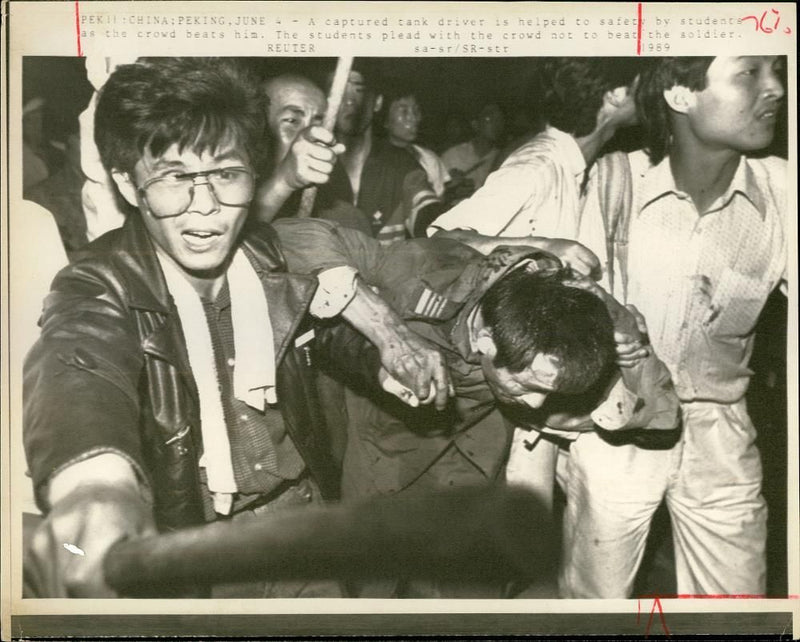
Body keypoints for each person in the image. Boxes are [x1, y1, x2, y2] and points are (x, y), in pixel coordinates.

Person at [22, 57, 450, 599]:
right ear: (130, 185)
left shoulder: (265, 252)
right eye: (175, 178)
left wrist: (378, 363)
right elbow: (79, 372)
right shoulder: (97, 285)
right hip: (200, 560)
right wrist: (97, 488)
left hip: (305, 529)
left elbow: (308, 332)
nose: (207, 209)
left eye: (226, 174)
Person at [319, 233, 679, 598]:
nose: (536, 406)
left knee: (473, 592)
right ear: (486, 341)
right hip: (391, 449)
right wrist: (386, 342)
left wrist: (620, 338)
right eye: (527, 387)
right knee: (376, 580)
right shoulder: (423, 278)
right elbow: (303, 255)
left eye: (547, 391)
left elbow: (662, 413)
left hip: (478, 455)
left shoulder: (576, 309)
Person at [556, 55, 787, 598]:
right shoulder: (613, 184)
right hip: (616, 427)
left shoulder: (783, 191)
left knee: (735, 609)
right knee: (594, 607)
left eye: (777, 69)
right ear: (682, 96)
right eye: (750, 72)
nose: (775, 87)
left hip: (722, 428)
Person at [425, 58, 644, 523]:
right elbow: (440, 239)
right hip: (503, 394)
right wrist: (542, 245)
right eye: (644, 81)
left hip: (539, 397)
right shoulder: (539, 165)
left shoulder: (584, 167)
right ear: (616, 95)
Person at [318, 61, 443, 245]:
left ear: (377, 102)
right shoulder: (311, 166)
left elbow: (427, 211)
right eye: (338, 91)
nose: (349, 100)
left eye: (358, 90)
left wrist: (445, 231)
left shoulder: (400, 163)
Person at [254, 73, 373, 237]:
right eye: (292, 121)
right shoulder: (225, 197)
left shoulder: (346, 220)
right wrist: (282, 182)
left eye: (319, 123)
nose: (310, 134)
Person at [380, 83, 451, 204]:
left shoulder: (429, 160)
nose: (414, 118)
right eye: (404, 111)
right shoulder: (373, 158)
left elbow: (437, 208)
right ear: (385, 120)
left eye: (416, 110)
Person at [440, 101, 506, 198]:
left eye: (499, 119)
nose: (496, 124)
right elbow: (435, 195)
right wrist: (451, 191)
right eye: (489, 119)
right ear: (475, 125)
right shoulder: (453, 155)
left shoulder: (503, 159)